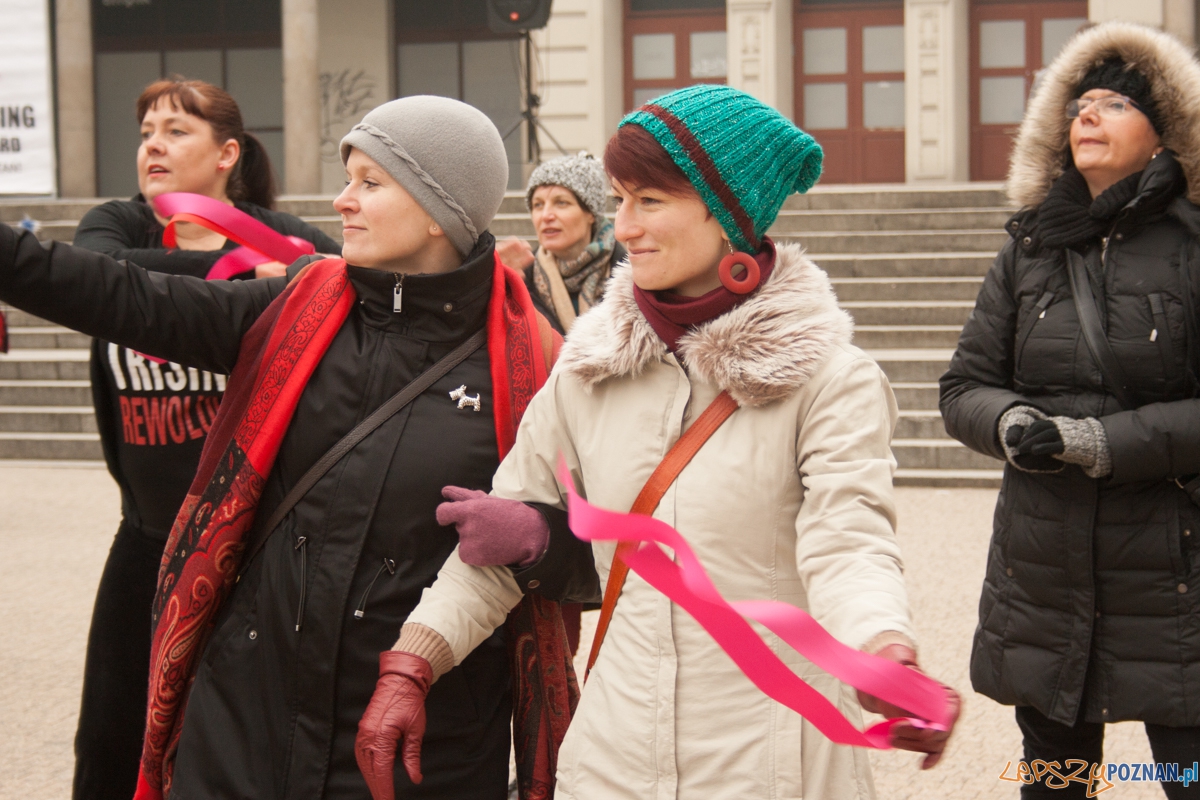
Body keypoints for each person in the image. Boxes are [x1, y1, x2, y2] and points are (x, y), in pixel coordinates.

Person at [0, 95, 595, 800]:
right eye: (348, 178)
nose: (342, 201)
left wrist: (538, 537)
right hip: (243, 725)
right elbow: (120, 295)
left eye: (370, 183)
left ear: (442, 210)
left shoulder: (542, 369)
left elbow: (605, 558)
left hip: (415, 746)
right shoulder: (291, 310)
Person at [377, 84, 961, 799]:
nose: (623, 227)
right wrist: (413, 663)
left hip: (774, 763)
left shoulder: (829, 379)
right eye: (619, 199)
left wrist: (883, 648)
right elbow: (492, 551)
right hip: (610, 762)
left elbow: (848, 539)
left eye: (650, 201)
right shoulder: (588, 368)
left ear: (730, 217)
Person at [940, 22, 1200, 800]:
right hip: (1045, 572)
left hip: (1175, 572)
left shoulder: (1194, 248)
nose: (1088, 113)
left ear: (1165, 137)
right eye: (1080, 102)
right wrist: (1010, 423)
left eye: (1115, 103)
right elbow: (964, 386)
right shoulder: (1028, 249)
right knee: (1055, 783)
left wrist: (1100, 442)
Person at [68, 78, 339, 800]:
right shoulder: (118, 226)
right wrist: (255, 279)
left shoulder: (290, 238)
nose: (153, 144)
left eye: (175, 131)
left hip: (252, 544)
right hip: (146, 537)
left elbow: (345, 288)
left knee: (242, 731)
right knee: (109, 737)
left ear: (227, 154)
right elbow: (97, 273)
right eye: (146, 130)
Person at [496, 152, 624, 334]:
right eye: (538, 205)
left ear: (590, 214)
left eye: (561, 203)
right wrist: (489, 285)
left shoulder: (630, 275)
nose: (546, 215)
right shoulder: (522, 278)